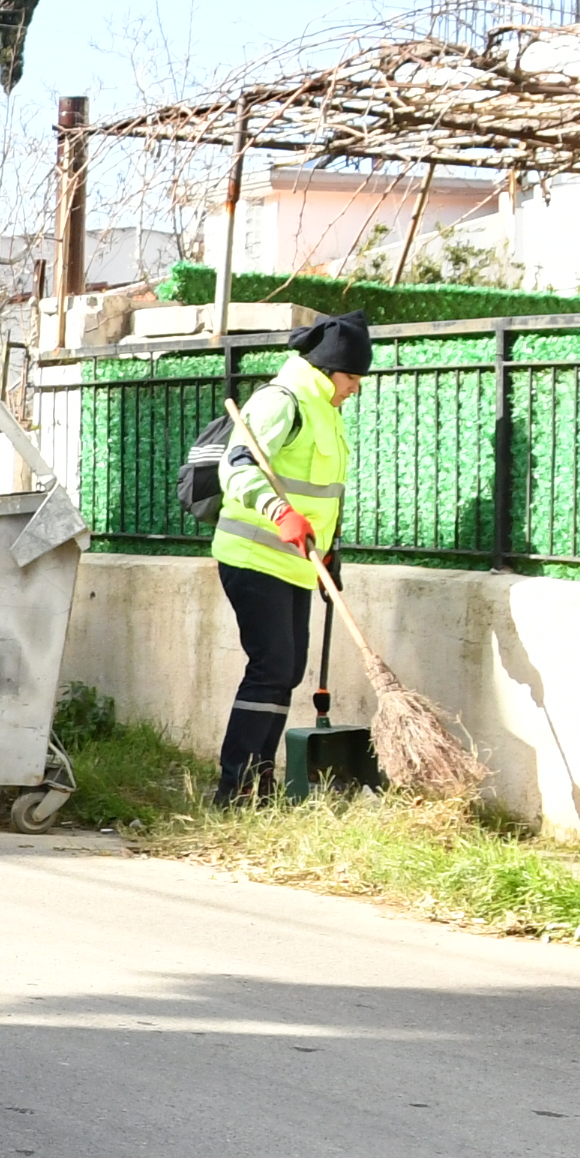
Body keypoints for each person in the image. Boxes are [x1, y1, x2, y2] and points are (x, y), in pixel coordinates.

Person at [210, 310, 366, 802]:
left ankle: (258, 782)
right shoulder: (282, 401)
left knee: (288, 670)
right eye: (351, 377)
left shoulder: (327, 411)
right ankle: (234, 788)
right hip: (254, 554)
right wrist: (279, 512)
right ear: (327, 369)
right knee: (273, 665)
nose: (355, 388)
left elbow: (324, 494)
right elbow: (235, 469)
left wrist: (330, 548)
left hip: (297, 561)